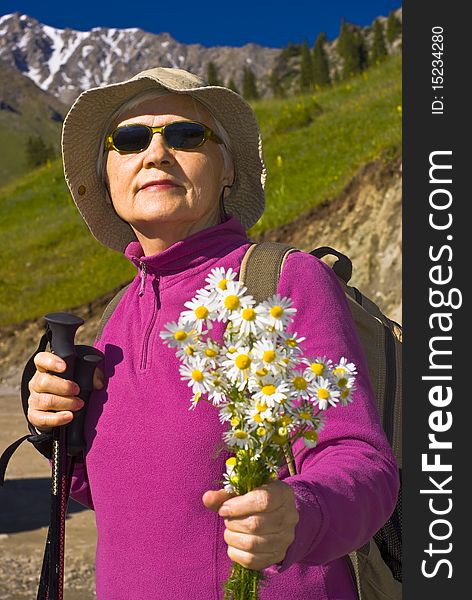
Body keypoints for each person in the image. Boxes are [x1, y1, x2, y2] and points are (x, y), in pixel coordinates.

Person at [27, 66, 399, 599]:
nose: (156, 153)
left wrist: (302, 511)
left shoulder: (282, 281)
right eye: (129, 140)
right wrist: (55, 432)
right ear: (108, 180)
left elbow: (363, 463)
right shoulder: (112, 321)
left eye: (184, 135)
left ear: (227, 169)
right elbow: (120, 496)